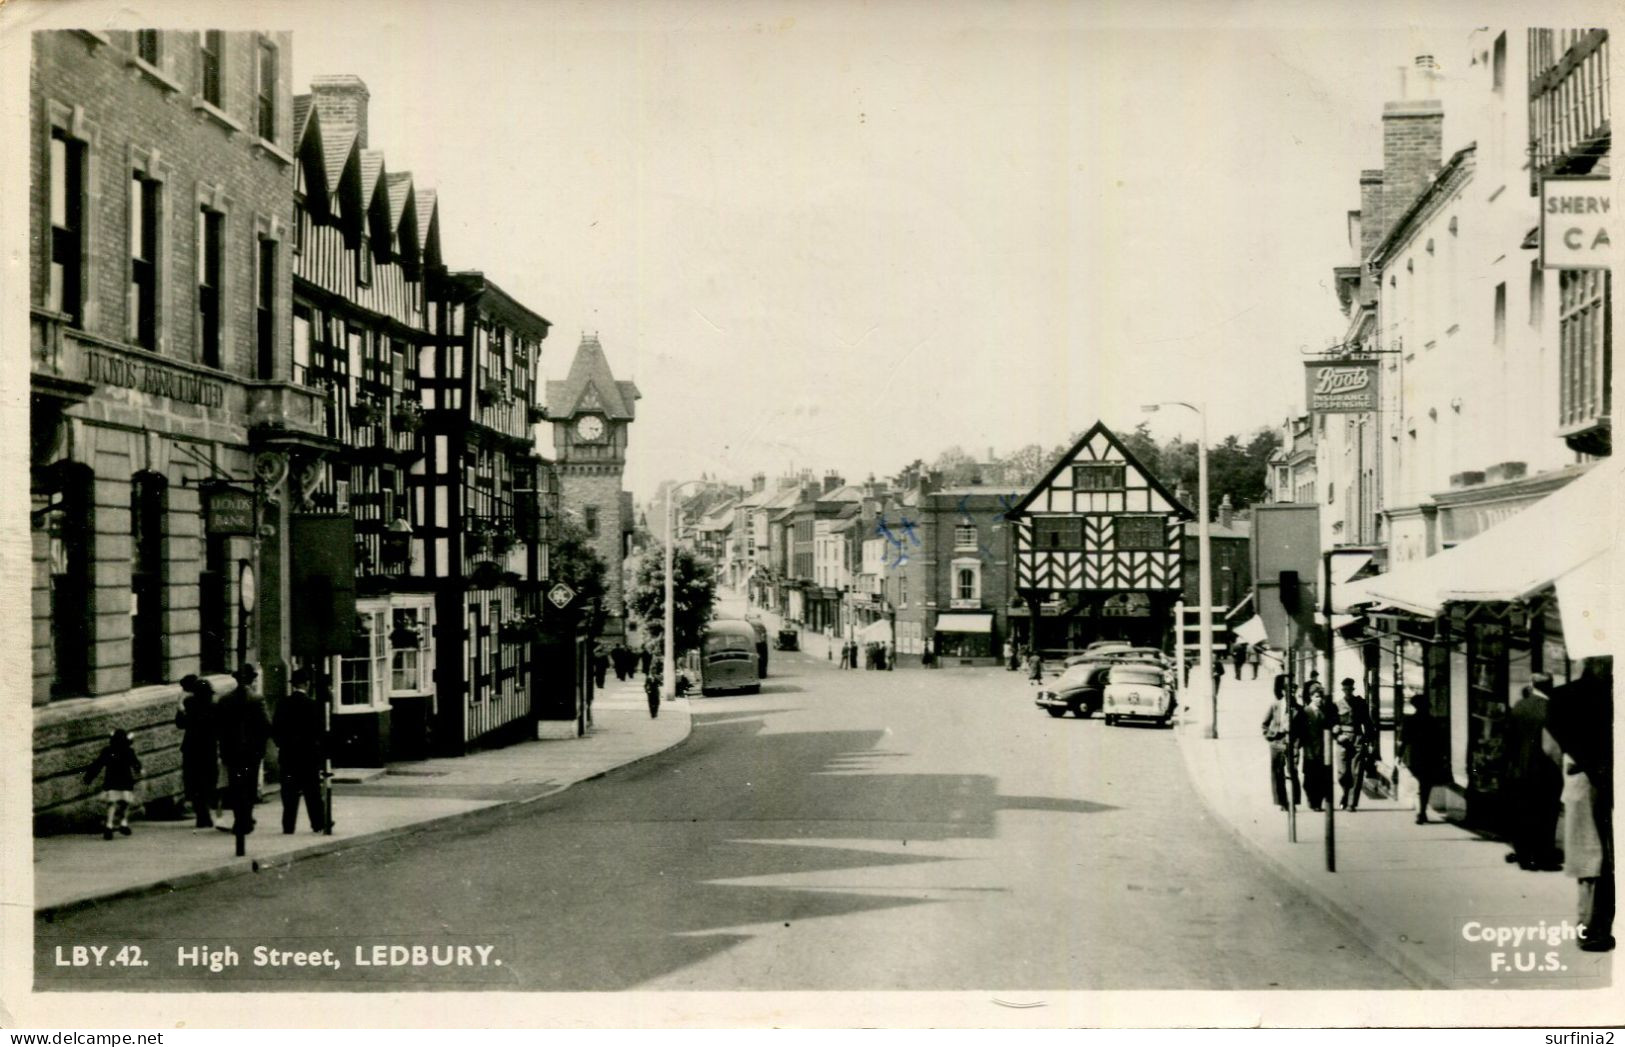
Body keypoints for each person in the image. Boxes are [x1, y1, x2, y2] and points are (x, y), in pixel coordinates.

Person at [1544, 665, 1614, 952]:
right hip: (1602, 781)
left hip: (1582, 781)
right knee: (1601, 859)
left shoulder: (1562, 698)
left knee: (1590, 858)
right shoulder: (1608, 693)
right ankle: (1594, 927)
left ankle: (1589, 926)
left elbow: (1549, 747)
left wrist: (1572, 765)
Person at [1505, 676, 1564, 869]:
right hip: (1546, 770)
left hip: (1520, 770)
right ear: (1550, 686)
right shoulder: (1551, 708)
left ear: (1533, 685)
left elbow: (1510, 740)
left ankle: (1524, 856)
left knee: (1523, 813)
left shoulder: (1519, 706)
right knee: (1546, 815)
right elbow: (1554, 745)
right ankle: (1543, 856)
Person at [271, 668, 329, 835]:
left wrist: (282, 745)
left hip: (288, 755)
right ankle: (317, 823)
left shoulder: (283, 704)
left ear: (293, 685)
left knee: (289, 793)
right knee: (312, 792)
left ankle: (288, 826)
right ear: (307, 684)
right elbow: (319, 732)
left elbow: (276, 729)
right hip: (308, 756)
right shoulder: (313, 705)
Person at [215, 664, 270, 837]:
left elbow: (219, 727)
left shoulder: (225, 700)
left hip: (231, 752)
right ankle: (245, 820)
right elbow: (266, 725)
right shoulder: (257, 700)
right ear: (252, 680)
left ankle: (240, 819)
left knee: (236, 786)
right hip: (251, 753)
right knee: (249, 786)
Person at [174, 675, 219, 829]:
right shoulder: (214, 708)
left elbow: (180, 724)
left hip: (191, 749)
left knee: (194, 782)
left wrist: (180, 707)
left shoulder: (190, 704)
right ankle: (205, 814)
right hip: (209, 750)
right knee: (208, 782)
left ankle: (202, 815)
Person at [82, 728, 142, 840]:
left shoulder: (108, 751)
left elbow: (97, 764)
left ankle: (109, 825)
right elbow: (135, 763)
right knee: (125, 802)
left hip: (112, 780)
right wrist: (139, 770)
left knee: (112, 804)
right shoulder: (128, 751)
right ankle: (123, 822)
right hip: (126, 781)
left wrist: (88, 777)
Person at [1332, 677, 1377, 811]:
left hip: (1357, 738)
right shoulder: (1337, 705)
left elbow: (1368, 723)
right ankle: (1345, 794)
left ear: (1353, 689)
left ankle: (1352, 803)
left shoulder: (1360, 704)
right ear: (1342, 690)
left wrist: (1370, 742)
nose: (1348, 691)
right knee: (1342, 773)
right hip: (1342, 740)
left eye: (1350, 689)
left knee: (1356, 772)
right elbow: (1333, 724)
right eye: (1345, 689)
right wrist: (1337, 735)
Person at [1399, 693, 1444, 825]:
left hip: (1415, 756)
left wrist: (1399, 755)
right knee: (1425, 784)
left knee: (1422, 783)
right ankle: (1422, 811)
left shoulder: (1409, 720)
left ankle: (1422, 812)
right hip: (1430, 756)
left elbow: (1404, 740)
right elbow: (1440, 741)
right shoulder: (1433, 721)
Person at [1261, 675, 1303, 811]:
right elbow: (1264, 725)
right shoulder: (1275, 706)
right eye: (1288, 691)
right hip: (1277, 744)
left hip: (1292, 745)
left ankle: (1294, 802)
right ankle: (1282, 802)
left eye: (1293, 691)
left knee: (1293, 772)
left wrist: (1298, 744)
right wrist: (1271, 736)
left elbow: (1303, 729)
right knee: (1277, 773)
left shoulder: (1299, 709)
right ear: (1283, 692)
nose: (1291, 694)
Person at [1299, 681, 1332, 812]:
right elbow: (1302, 732)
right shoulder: (1306, 711)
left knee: (1321, 778)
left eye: (1321, 697)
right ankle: (1311, 799)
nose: (1319, 699)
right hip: (1309, 749)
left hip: (1322, 750)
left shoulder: (1323, 712)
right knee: (1309, 778)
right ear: (1311, 697)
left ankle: (1317, 803)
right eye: (1317, 696)